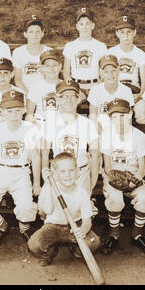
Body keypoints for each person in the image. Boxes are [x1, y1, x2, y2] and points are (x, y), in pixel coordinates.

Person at [0, 90, 40, 247]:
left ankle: (24, 228)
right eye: (10, 111)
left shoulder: (29, 128)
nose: (14, 115)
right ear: (2, 112)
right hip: (0, 171)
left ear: (24, 110)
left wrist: (36, 183)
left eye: (18, 111)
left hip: (21, 172)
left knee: (26, 208)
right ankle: (2, 226)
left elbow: (35, 157)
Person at [100, 98, 145, 255]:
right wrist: (120, 184)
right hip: (113, 175)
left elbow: (142, 169)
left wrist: (134, 182)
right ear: (110, 118)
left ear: (130, 113)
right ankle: (114, 235)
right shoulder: (107, 135)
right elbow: (108, 168)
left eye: (123, 115)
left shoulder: (139, 135)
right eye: (115, 117)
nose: (120, 120)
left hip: (134, 174)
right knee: (115, 200)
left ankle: (137, 235)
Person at [28, 152, 101, 266]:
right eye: (62, 171)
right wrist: (48, 185)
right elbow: (47, 210)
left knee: (94, 242)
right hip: (53, 226)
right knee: (34, 244)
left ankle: (76, 249)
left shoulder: (82, 193)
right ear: (55, 174)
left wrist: (83, 230)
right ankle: (50, 252)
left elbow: (87, 221)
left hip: (75, 226)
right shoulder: (50, 187)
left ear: (77, 172)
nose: (67, 175)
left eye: (71, 170)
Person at [41, 80, 100, 213]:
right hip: (58, 173)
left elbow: (96, 155)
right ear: (57, 99)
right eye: (64, 96)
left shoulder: (88, 124)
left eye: (72, 96)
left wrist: (93, 182)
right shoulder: (50, 123)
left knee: (80, 211)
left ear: (78, 98)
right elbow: (44, 154)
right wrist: (47, 179)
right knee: (48, 209)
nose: (69, 100)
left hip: (80, 172)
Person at [63, 7, 107, 96]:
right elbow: (66, 72)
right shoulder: (70, 46)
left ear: (92, 25)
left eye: (88, 23)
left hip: (95, 85)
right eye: (81, 24)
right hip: (76, 86)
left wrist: (98, 87)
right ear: (77, 26)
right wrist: (74, 89)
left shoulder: (101, 46)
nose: (85, 27)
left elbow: (104, 70)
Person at [88, 54, 134, 135]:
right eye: (106, 72)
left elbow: (129, 116)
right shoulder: (95, 90)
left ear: (119, 71)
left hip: (120, 129)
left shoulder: (126, 90)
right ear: (100, 73)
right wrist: (100, 131)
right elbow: (93, 116)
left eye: (113, 70)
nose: (110, 75)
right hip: (101, 129)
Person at [108, 15, 145, 103]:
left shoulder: (140, 53)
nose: (126, 36)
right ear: (117, 33)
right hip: (116, 89)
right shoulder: (111, 52)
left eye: (129, 32)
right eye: (122, 32)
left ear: (134, 32)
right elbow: (106, 78)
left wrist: (140, 96)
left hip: (134, 90)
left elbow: (144, 81)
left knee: (140, 112)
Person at [12, 15, 51, 95]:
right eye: (31, 32)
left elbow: (51, 77)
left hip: (45, 92)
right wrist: (29, 95)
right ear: (25, 34)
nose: (35, 35)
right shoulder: (18, 52)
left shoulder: (49, 51)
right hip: (25, 92)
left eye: (38, 32)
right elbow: (18, 80)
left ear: (42, 33)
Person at [25, 49, 62, 125]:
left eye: (54, 65)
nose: (51, 69)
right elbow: (29, 115)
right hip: (41, 124)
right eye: (47, 65)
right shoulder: (35, 87)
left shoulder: (65, 85)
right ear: (42, 68)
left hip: (61, 124)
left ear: (60, 66)